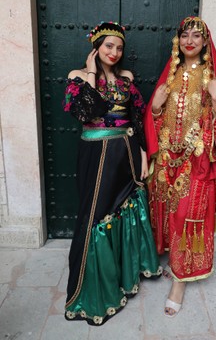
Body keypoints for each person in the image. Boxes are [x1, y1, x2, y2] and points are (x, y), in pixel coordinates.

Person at [63, 21, 162, 326]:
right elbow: (87, 112)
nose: (115, 52)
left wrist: (144, 152)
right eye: (108, 46)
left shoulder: (127, 78)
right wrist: (92, 71)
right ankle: (95, 290)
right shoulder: (77, 77)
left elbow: (136, 115)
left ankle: (125, 273)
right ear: (96, 47)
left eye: (119, 47)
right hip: (98, 154)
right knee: (97, 216)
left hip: (128, 152)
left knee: (126, 208)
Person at [144, 16, 216, 317]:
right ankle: (174, 262)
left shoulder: (211, 78)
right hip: (166, 161)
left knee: (188, 215)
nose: (190, 40)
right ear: (177, 41)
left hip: (197, 161)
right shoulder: (170, 76)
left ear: (204, 42)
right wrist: (157, 106)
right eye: (184, 35)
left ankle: (180, 281)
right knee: (168, 211)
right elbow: (155, 119)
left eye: (196, 36)